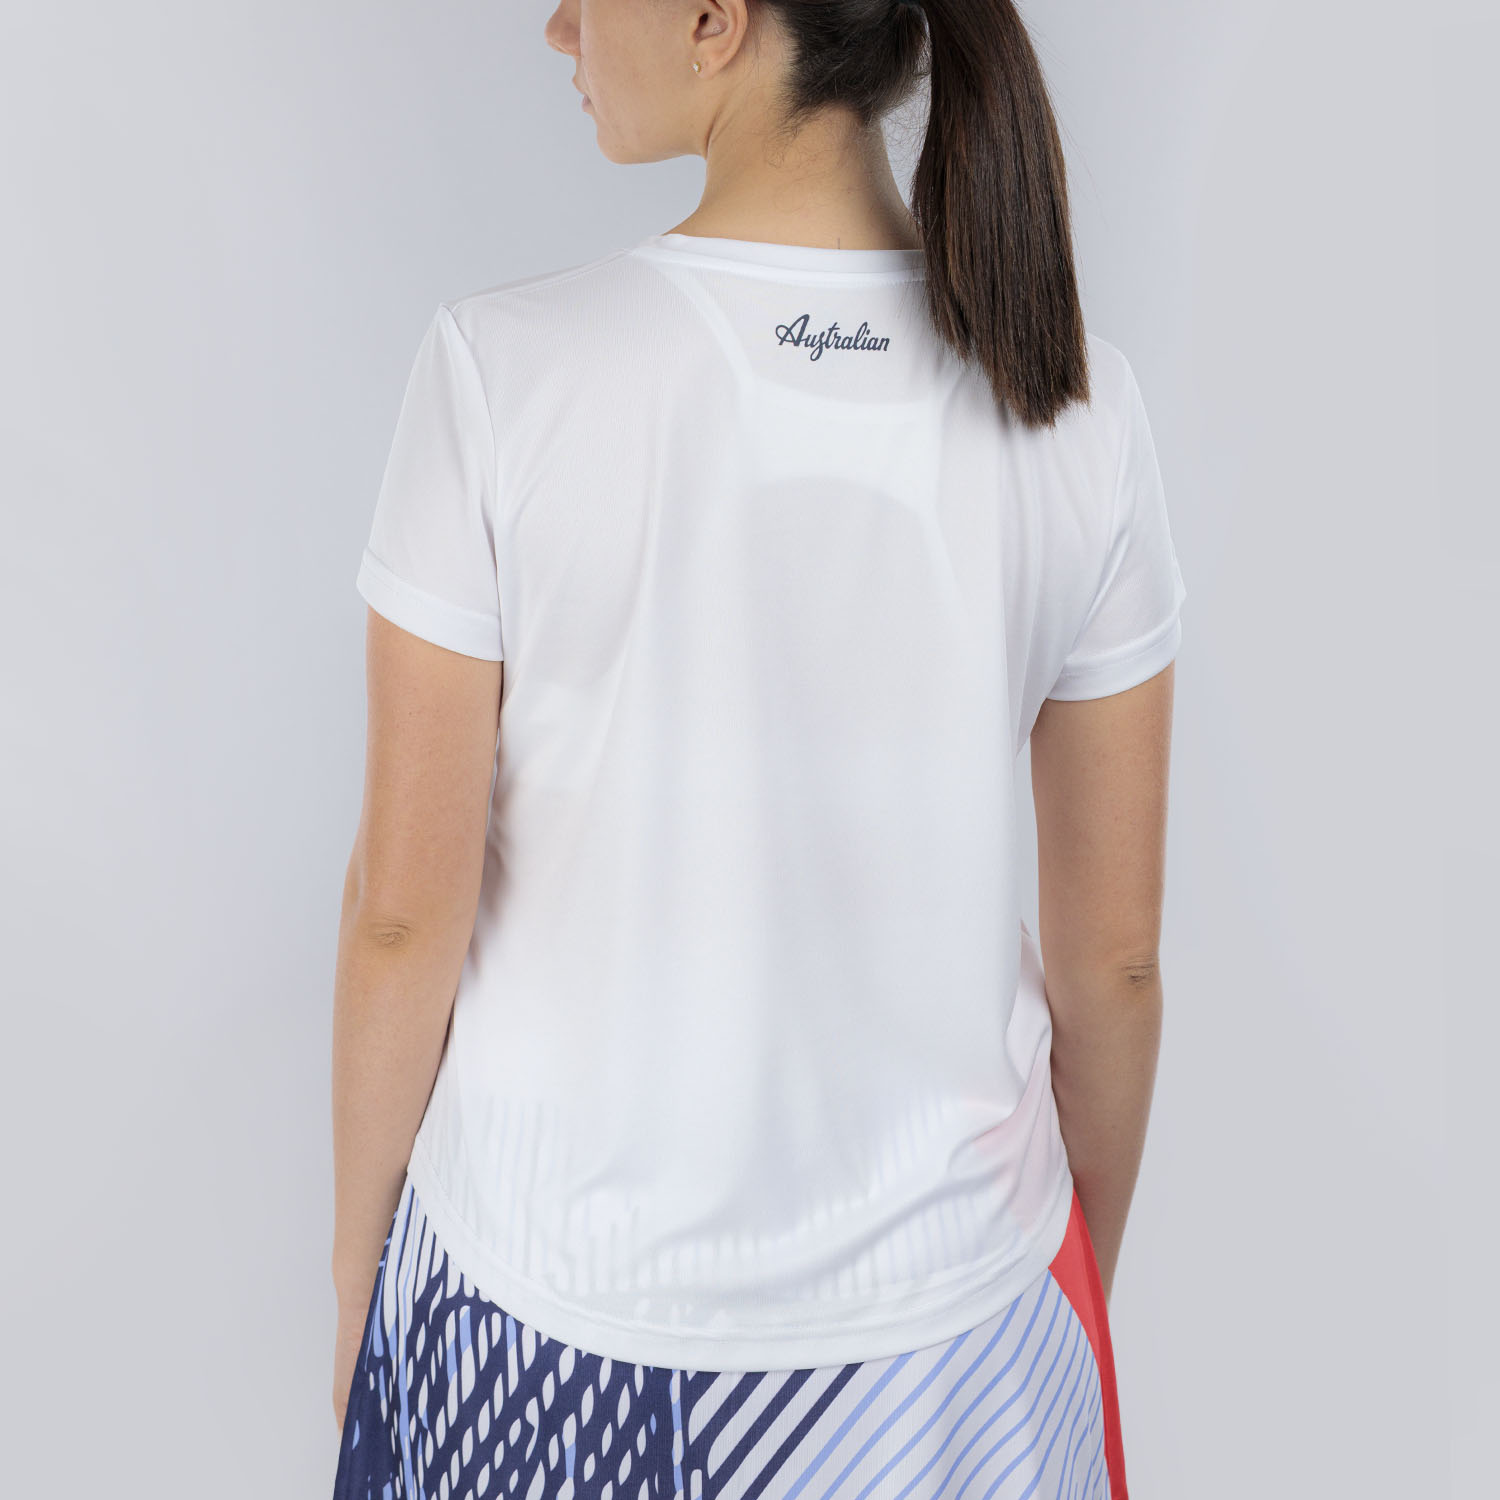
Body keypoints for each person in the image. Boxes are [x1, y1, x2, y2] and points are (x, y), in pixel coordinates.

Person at [329, 0, 1185, 1494]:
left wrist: (359, 1286)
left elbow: (405, 918)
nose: (558, 29)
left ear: (717, 21)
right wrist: (1048, 1297)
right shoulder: (1079, 406)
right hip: (956, 1343)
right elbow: (1113, 962)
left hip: (544, 1324)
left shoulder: (502, 372)